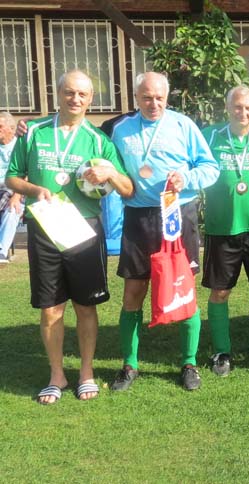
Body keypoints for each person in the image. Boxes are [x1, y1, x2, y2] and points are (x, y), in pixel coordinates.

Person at [5, 70, 134, 404]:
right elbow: (12, 179)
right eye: (69, 92)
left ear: (91, 99)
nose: (75, 99)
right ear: (58, 93)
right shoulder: (33, 132)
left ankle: (87, 372)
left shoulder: (99, 140)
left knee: (86, 306)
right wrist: (34, 189)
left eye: (82, 94)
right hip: (45, 227)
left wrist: (110, 173)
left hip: (84, 231)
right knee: (50, 308)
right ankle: (56, 374)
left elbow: (128, 187)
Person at [109, 72, 219, 391]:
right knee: (133, 291)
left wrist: (188, 178)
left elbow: (210, 167)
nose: (153, 103)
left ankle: (189, 363)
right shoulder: (120, 130)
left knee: (183, 288)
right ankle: (130, 364)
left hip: (177, 213)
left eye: (159, 97)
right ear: (135, 97)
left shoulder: (183, 125)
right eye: (146, 97)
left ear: (167, 97)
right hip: (138, 216)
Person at [201, 86, 249, 378]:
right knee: (220, 292)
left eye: (248, 108)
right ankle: (221, 351)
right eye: (237, 107)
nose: (242, 113)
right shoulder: (211, 136)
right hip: (222, 229)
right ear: (227, 106)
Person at [0, 112, 22, 264]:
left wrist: (16, 196)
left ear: (12, 128)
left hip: (16, 189)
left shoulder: (20, 146)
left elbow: (27, 174)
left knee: (12, 209)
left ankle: (1, 252)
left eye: (0, 126)